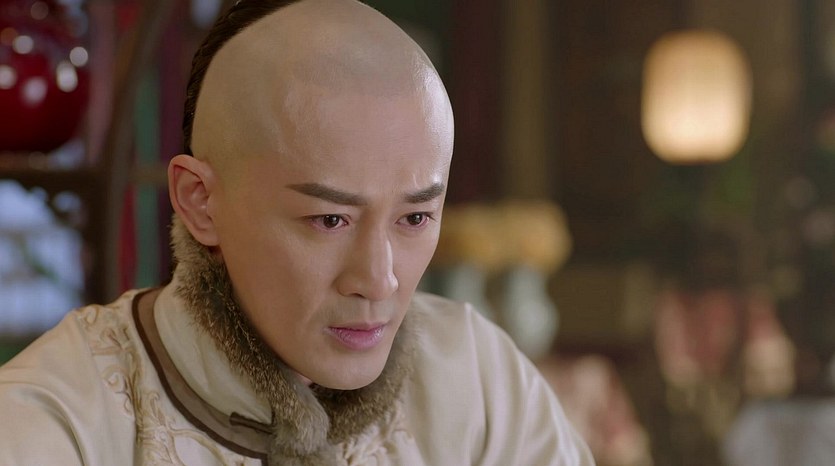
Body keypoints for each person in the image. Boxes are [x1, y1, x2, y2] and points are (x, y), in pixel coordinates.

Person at [0, 0, 595, 464]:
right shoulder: (55, 422)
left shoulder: (477, 381)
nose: (378, 280)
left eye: (414, 218)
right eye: (330, 220)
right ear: (200, 201)